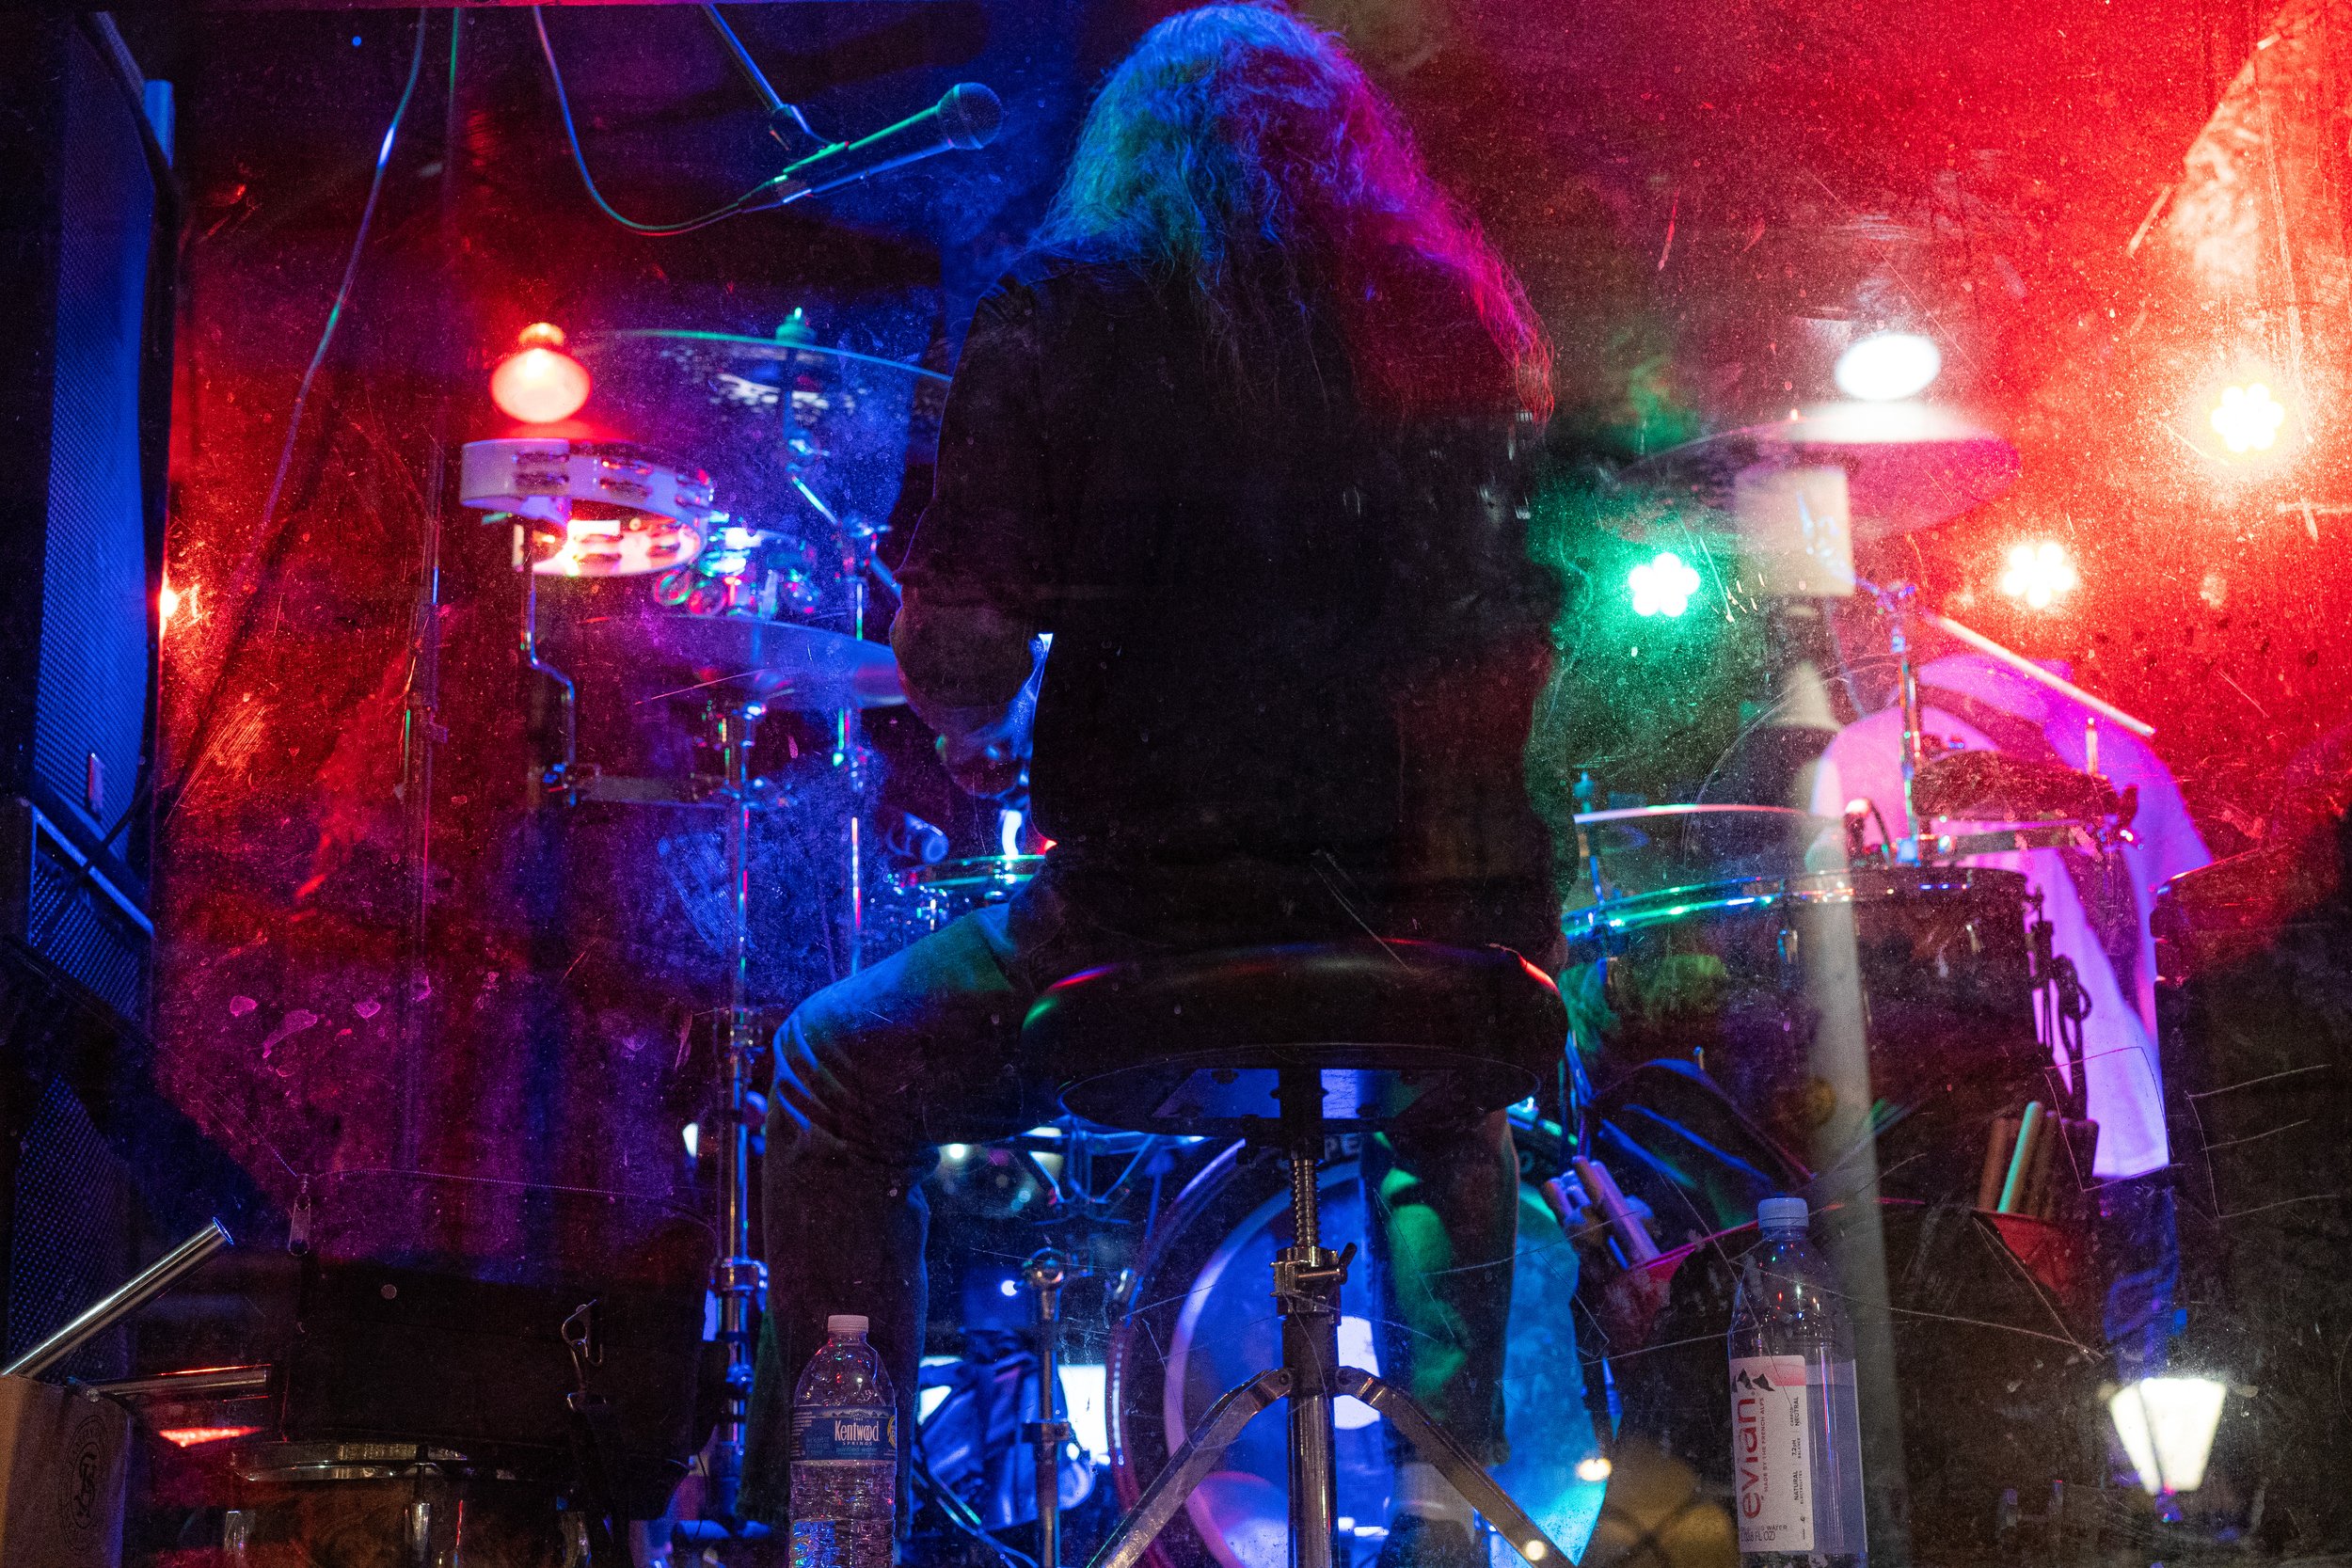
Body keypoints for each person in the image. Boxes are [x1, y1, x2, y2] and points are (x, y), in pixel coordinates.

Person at [740, 9, 1564, 1564]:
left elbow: (963, 659)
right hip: (1448, 911)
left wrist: (971, 670)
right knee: (1444, 1104)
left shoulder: (1069, 307)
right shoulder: (1462, 324)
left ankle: (843, 1528)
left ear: (1137, 146)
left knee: (831, 1074)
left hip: (1163, 917)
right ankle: (1445, 1520)